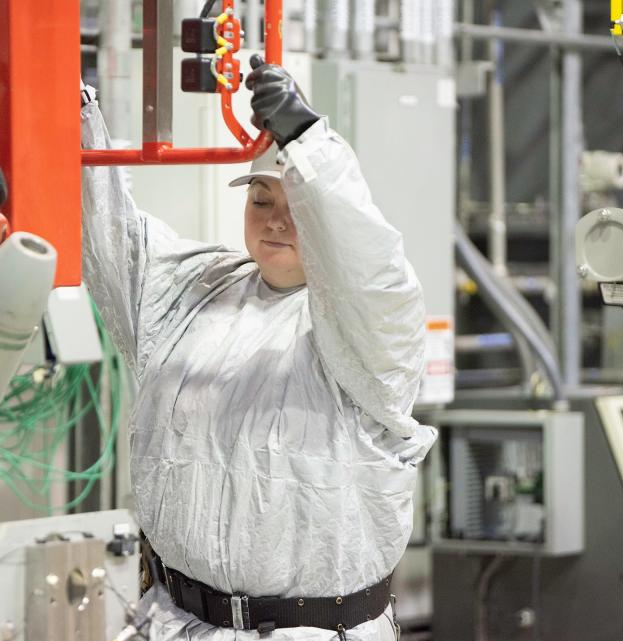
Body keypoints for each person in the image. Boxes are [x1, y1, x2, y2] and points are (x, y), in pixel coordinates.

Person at [80, 55, 437, 641]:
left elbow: (370, 274)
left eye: (299, 210)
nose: (277, 223)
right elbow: (112, 233)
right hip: (175, 621)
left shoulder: (368, 337)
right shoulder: (197, 295)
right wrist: (73, 110)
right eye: (262, 201)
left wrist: (309, 145)